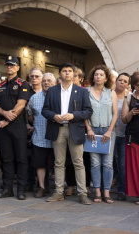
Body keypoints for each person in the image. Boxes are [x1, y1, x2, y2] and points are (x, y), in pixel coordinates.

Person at [42, 63, 92, 205]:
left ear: (74, 74)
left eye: (70, 71)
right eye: (64, 71)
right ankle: (58, 192)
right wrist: (54, 116)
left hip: (75, 129)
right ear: (60, 74)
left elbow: (88, 111)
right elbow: (45, 110)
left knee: (78, 162)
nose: (68, 74)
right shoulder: (52, 91)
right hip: (57, 128)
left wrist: (73, 115)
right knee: (58, 162)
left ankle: (82, 193)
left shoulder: (81, 91)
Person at [0, 55, 32, 200]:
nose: (9, 67)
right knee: (6, 159)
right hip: (2, 126)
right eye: (7, 65)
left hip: (17, 126)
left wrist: (7, 120)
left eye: (12, 65)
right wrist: (3, 114)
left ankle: (21, 190)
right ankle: (7, 188)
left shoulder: (23, 84)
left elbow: (21, 105)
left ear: (17, 67)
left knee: (21, 158)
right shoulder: (0, 86)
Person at [85, 65, 118, 204]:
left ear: (106, 78)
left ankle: (107, 192)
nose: (98, 76)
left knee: (108, 163)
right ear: (93, 77)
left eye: (101, 75)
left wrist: (110, 130)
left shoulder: (111, 93)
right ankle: (97, 192)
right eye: (96, 74)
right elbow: (84, 112)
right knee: (95, 163)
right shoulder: (86, 92)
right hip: (92, 131)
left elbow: (116, 113)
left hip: (108, 130)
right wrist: (89, 129)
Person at [26, 73, 56, 198]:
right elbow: (29, 114)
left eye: (49, 81)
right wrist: (34, 126)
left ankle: (58, 189)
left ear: (54, 83)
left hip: (56, 138)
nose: (46, 83)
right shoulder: (34, 98)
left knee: (58, 164)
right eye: (44, 80)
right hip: (39, 137)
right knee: (40, 163)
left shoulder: (59, 97)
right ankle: (42, 187)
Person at [121, 71, 139, 204]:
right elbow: (124, 119)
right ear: (134, 85)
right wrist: (132, 113)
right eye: (138, 85)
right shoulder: (128, 98)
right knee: (135, 167)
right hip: (133, 136)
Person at [114, 72, 130, 201]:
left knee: (122, 164)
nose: (122, 82)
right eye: (120, 80)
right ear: (116, 81)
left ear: (128, 84)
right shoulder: (109, 95)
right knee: (107, 163)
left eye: (125, 81)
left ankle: (122, 190)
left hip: (124, 135)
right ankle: (105, 189)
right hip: (110, 134)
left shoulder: (130, 97)